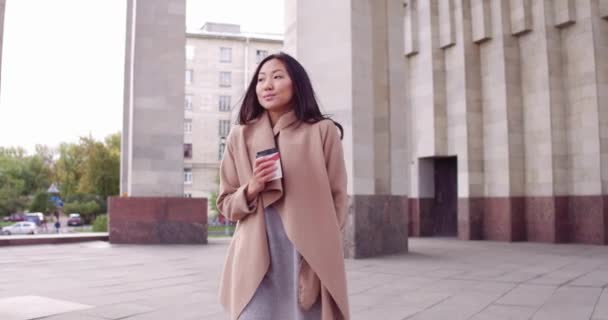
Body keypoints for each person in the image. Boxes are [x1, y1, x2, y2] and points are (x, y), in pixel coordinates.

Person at [217, 52, 350, 320]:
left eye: (277, 77)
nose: (267, 85)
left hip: (305, 254)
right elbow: (225, 204)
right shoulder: (239, 136)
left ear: (296, 84)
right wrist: (251, 188)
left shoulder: (322, 132)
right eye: (261, 79)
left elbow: (338, 199)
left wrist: (321, 255)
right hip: (255, 255)